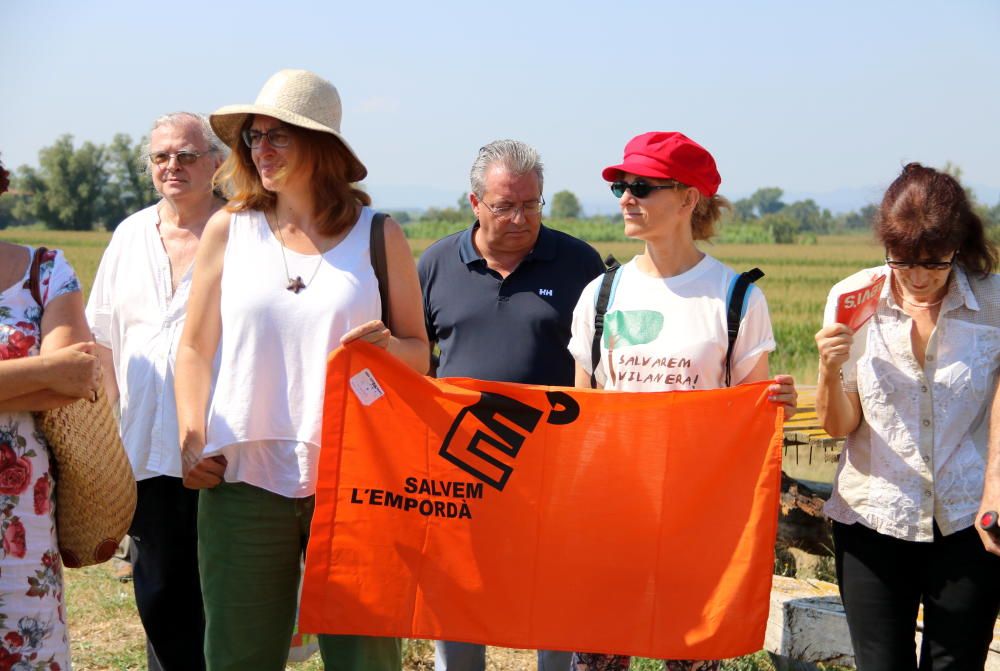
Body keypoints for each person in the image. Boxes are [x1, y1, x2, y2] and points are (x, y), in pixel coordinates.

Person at [174, 69, 428, 671]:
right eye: (254, 137)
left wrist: (389, 348)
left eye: (278, 137)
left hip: (355, 482)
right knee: (239, 656)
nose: (260, 149)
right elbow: (193, 348)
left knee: (364, 660)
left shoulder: (378, 236)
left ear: (323, 147)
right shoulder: (227, 230)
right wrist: (190, 434)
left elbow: (421, 352)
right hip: (242, 480)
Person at [566, 132, 798, 671]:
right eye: (622, 186)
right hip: (613, 511)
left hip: (698, 516)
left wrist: (774, 402)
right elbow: (582, 414)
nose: (627, 197)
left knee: (692, 658)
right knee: (596, 658)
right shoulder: (600, 295)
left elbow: (749, 420)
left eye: (643, 187)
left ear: (689, 199)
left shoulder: (736, 297)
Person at [419, 139, 606, 671]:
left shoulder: (578, 264)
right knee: (459, 587)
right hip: (460, 463)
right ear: (475, 203)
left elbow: (599, 362)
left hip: (553, 462)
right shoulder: (436, 263)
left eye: (532, 204)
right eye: (505, 205)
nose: (521, 218)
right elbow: (414, 353)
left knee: (552, 590)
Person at [815, 162, 1000, 670]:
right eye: (902, 261)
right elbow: (839, 425)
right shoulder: (853, 298)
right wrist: (829, 371)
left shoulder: (993, 301)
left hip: (967, 520)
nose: (918, 277)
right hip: (873, 517)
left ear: (957, 247)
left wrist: (996, 492)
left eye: (934, 263)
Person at [86, 111, 226, 671]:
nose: (173, 166)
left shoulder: (245, 232)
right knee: (161, 594)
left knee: (225, 599)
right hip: (143, 449)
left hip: (225, 449)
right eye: (162, 156)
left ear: (216, 164)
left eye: (187, 155)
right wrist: (97, 442)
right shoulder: (129, 235)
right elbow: (102, 343)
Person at [0, 157, 103, 670]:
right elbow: (49, 376)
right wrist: (34, 374)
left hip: (21, 511)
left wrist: (52, 376)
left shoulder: (46, 270)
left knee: (29, 653)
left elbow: (73, 378)